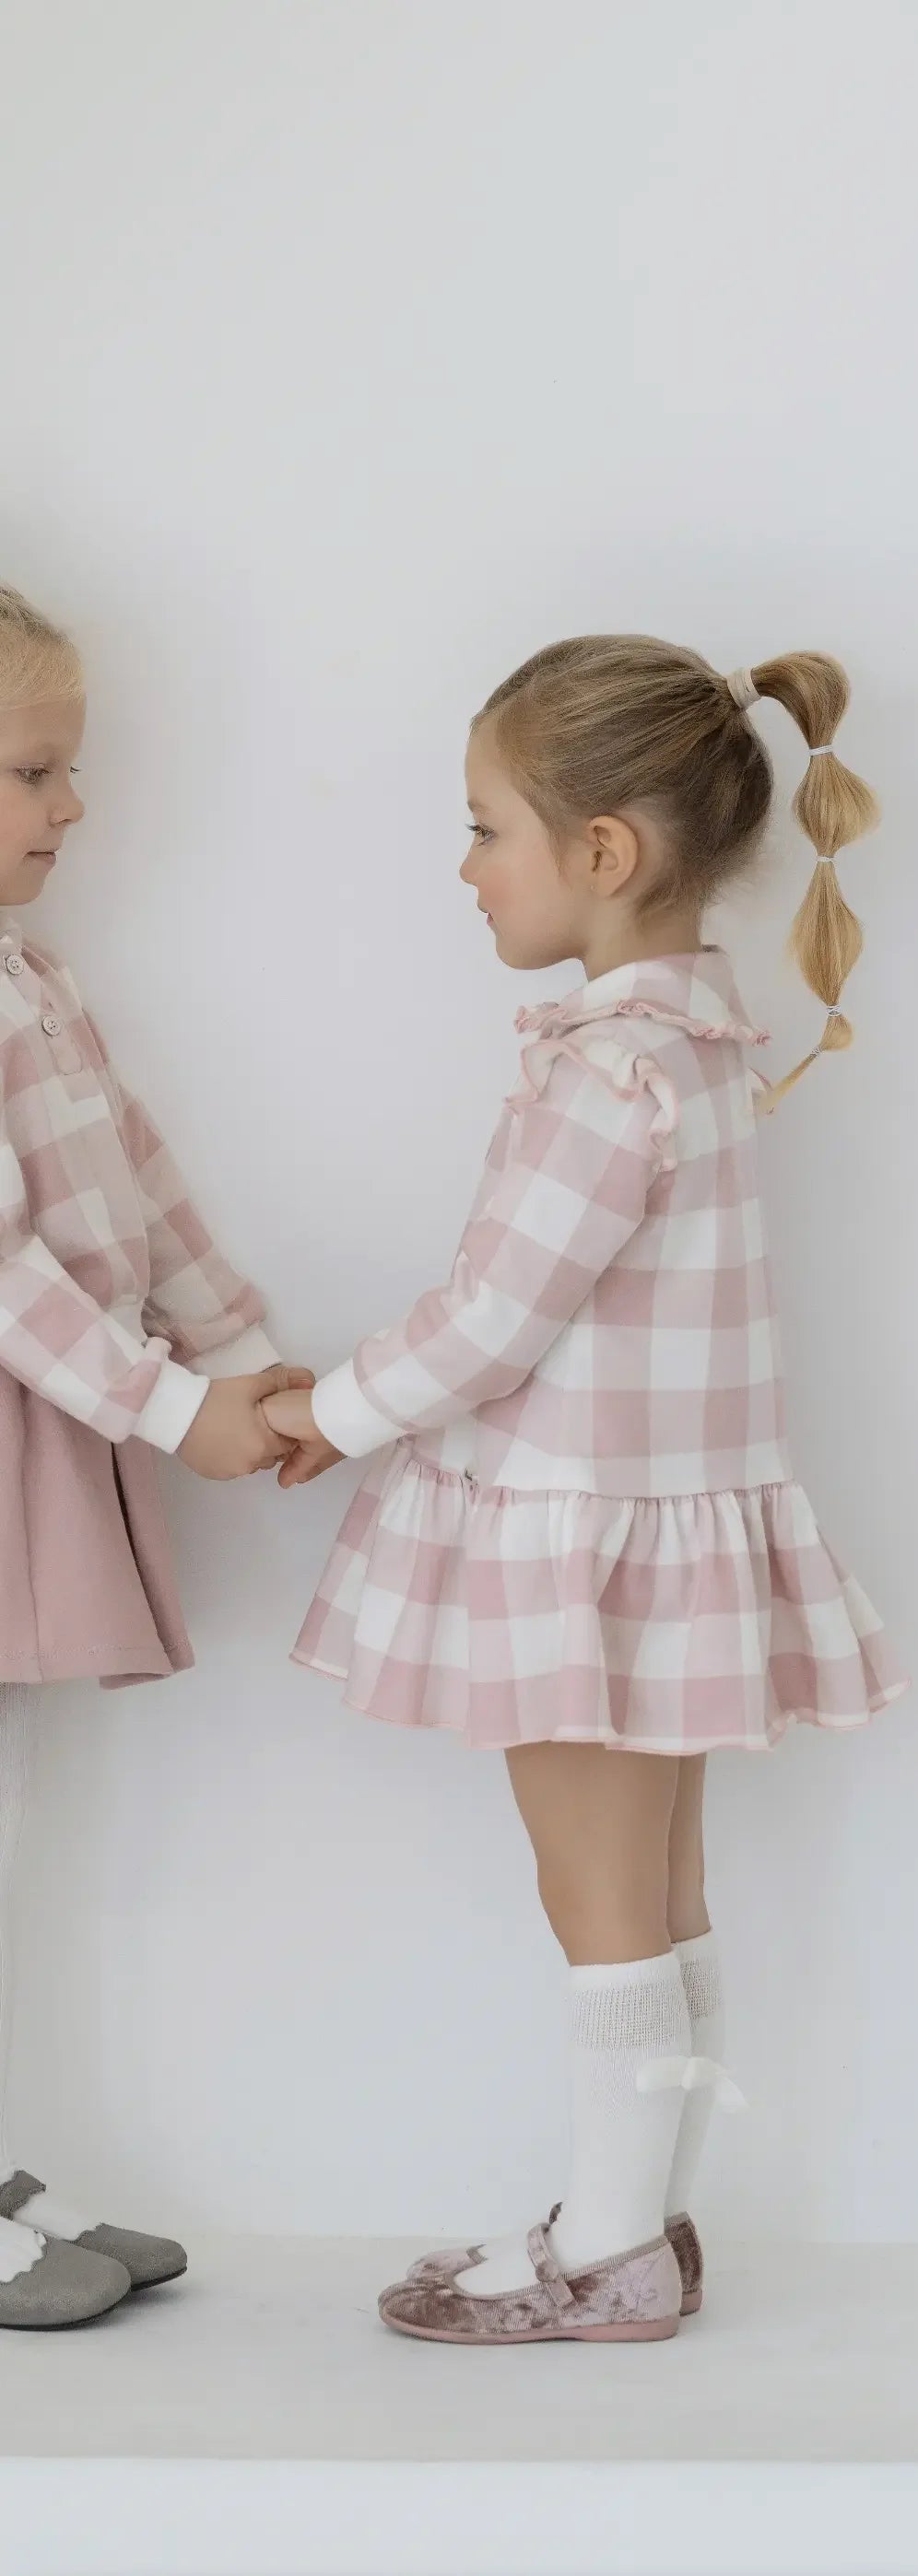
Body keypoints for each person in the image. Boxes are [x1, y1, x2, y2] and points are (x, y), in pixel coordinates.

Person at [265, 633, 906, 2347]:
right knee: (660, 1892)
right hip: (661, 1532)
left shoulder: (605, 1074)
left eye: (484, 829)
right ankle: (633, 2225)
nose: (464, 869)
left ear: (599, 853)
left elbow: (492, 1320)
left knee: (602, 1904)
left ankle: (613, 2244)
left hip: (580, 1543)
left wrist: (330, 1408)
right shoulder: (697, 1050)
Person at [0, 584, 310, 2328]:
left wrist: (240, 1357)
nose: (74, 809)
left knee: (13, 1820)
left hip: (52, 1424)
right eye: (37, 771)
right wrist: (167, 1401)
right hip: (34, 1411)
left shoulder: (36, 980)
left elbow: (139, 1186)